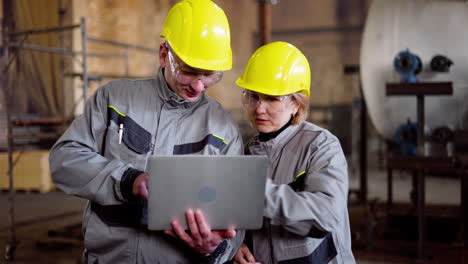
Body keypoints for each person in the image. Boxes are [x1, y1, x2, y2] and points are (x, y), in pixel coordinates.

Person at [49, 0, 244, 263]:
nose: (199, 86)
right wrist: (128, 180)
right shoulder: (113, 100)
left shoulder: (224, 130)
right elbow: (64, 160)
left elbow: (235, 220)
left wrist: (215, 250)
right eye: (188, 72)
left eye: (209, 75)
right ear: (164, 54)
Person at [233, 41, 355, 264]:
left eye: (272, 98)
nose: (259, 108)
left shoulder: (321, 146)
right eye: (254, 96)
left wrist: (257, 193)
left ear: (297, 104)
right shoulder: (248, 152)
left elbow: (326, 216)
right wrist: (236, 246)